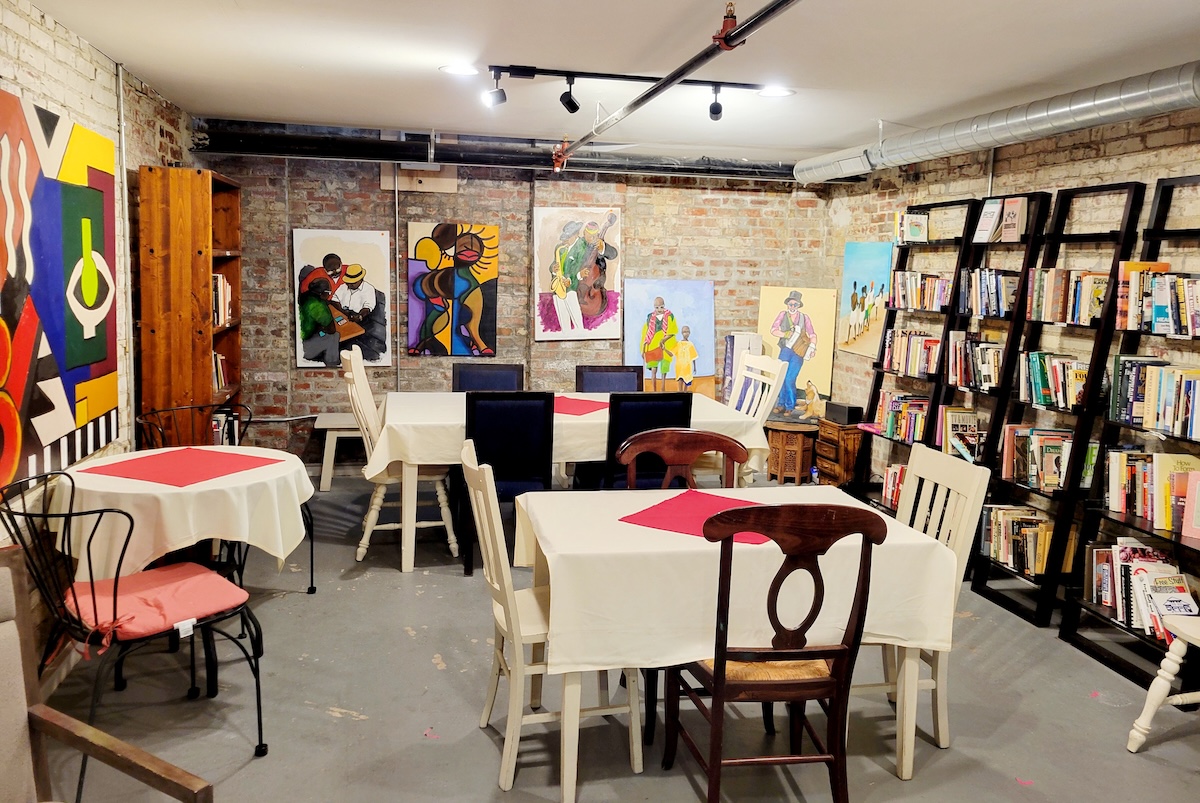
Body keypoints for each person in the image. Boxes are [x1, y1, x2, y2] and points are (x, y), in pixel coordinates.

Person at [770, 290, 817, 414]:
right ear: (787, 305)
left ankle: (789, 406)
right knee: (781, 377)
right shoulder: (783, 315)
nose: (792, 307)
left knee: (790, 378)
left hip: (798, 352)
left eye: (795, 305)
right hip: (785, 350)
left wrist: (812, 347)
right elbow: (773, 330)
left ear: (798, 305)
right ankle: (781, 404)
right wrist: (785, 334)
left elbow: (812, 333)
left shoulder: (804, 317)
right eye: (790, 304)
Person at [296, 267, 340, 366]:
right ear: (322, 293)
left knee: (322, 332)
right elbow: (331, 329)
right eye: (328, 292)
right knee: (334, 336)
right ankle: (332, 363)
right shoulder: (318, 307)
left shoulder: (306, 297)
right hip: (304, 347)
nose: (329, 294)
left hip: (302, 337)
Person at [641, 296, 678, 392]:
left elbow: (672, 332)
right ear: (654, 307)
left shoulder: (670, 316)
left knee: (664, 370)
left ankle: (662, 390)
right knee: (653, 369)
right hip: (652, 346)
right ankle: (654, 391)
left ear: (664, 306)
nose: (659, 310)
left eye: (661, 307)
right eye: (657, 307)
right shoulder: (650, 317)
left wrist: (663, 340)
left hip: (665, 347)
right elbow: (645, 333)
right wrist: (643, 349)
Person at [674, 325, 699, 391]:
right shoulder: (678, 344)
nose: (686, 333)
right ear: (682, 333)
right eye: (684, 332)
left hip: (687, 367)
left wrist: (695, 367)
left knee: (687, 382)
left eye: (687, 332)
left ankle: (684, 393)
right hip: (679, 367)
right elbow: (672, 353)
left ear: (689, 333)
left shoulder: (690, 344)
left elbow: (694, 357)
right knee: (680, 380)